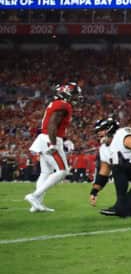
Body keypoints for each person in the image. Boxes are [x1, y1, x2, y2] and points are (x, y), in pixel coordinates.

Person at [25, 82, 82, 213]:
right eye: (74, 94)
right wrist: (53, 143)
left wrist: (65, 139)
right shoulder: (63, 105)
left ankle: (36, 204)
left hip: (45, 138)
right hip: (50, 139)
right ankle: (34, 196)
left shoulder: (57, 103)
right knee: (62, 171)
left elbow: (53, 125)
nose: (76, 97)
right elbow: (52, 125)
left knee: (45, 173)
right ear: (67, 93)